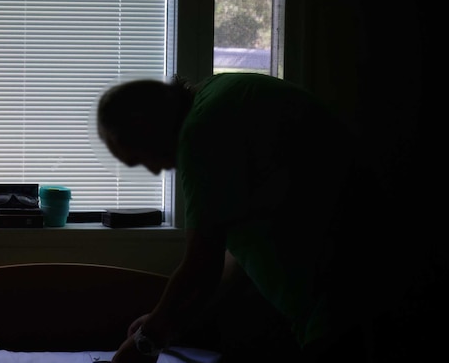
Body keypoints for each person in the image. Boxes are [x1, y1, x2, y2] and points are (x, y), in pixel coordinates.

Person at [96, 72, 415, 363]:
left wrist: (146, 342)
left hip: (340, 292)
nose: (154, 170)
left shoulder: (201, 133)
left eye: (140, 158)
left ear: (148, 127)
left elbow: (201, 266)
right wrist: (164, 322)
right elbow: (229, 254)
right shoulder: (222, 94)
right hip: (369, 270)